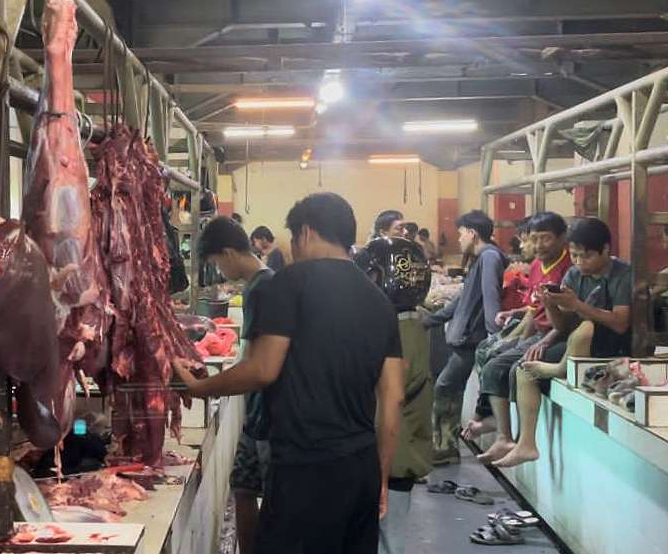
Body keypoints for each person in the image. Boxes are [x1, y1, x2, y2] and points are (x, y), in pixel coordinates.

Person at [173, 192, 405, 554]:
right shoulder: (380, 301)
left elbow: (263, 370)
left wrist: (201, 387)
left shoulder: (289, 283)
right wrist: (382, 477)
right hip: (360, 467)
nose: (293, 249)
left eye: (294, 239)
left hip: (304, 466)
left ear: (307, 233)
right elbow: (393, 399)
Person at [495, 218, 632, 468]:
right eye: (575, 256)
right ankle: (526, 445)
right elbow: (561, 326)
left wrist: (577, 305)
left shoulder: (623, 274)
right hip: (576, 345)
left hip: (615, 345)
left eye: (586, 256)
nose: (579, 262)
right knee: (525, 369)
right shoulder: (574, 274)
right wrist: (550, 304)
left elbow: (621, 323)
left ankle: (560, 368)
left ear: (605, 250)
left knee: (587, 328)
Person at [196, 217, 275, 554]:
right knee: (243, 488)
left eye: (215, 262)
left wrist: (204, 386)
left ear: (227, 253)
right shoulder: (261, 284)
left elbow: (258, 365)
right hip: (257, 414)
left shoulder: (262, 288)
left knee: (271, 502)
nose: (217, 269)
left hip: (268, 417)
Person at [355, 234, 433, 554]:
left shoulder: (397, 332)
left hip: (394, 458)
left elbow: (392, 396)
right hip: (402, 452)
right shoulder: (412, 320)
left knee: (387, 540)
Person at [473, 212, 570, 463]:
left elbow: (568, 321)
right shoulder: (538, 265)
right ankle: (503, 436)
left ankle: (523, 441)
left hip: (559, 335)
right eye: (534, 239)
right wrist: (514, 334)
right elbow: (532, 311)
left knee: (521, 367)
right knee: (492, 359)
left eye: (545, 239)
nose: (537, 246)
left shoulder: (569, 268)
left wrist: (541, 341)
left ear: (562, 238)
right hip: (540, 332)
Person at [423, 210, 505, 465]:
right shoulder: (481, 259)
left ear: (473, 233)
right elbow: (463, 299)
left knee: (445, 387)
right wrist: (430, 320)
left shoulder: (490, 257)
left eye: (461, 233)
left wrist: (494, 337)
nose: (459, 239)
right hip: (468, 338)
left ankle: (445, 447)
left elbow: (491, 297)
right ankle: (445, 446)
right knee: (448, 387)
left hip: (473, 339)